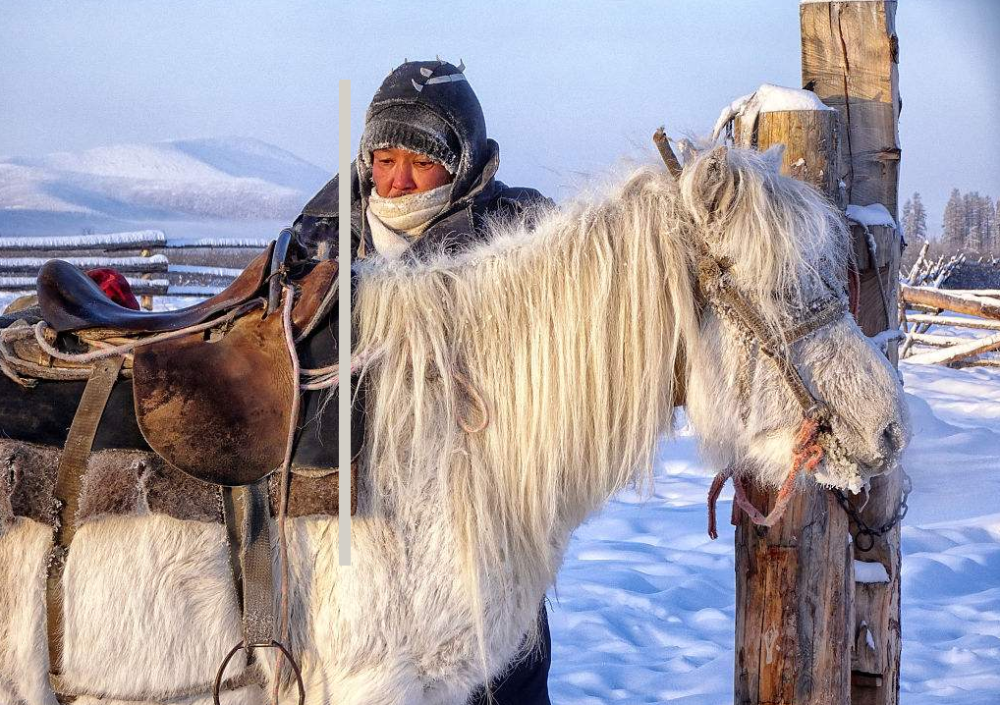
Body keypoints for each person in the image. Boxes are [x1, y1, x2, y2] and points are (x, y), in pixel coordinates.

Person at [292, 59, 554, 705]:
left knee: (504, 665)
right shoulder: (321, 233)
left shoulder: (522, 232)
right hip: (364, 505)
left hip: (488, 497)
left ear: (462, 162)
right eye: (383, 159)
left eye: (421, 161)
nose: (398, 181)